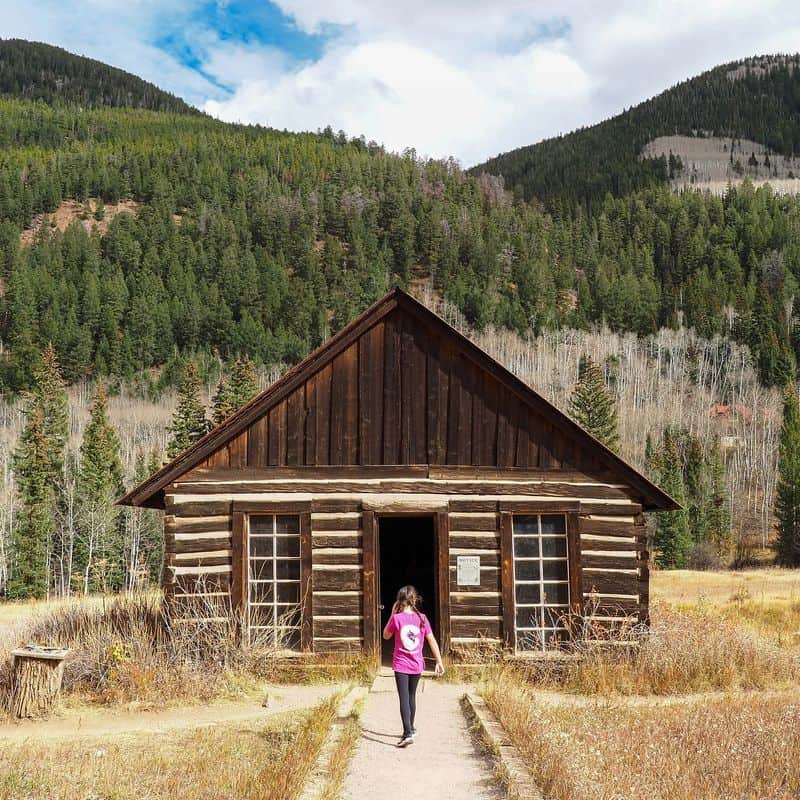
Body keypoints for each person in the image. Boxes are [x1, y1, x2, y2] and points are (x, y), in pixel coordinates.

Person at [382, 584, 445, 748]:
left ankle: (407, 733)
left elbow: (386, 635)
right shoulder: (422, 618)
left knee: (403, 697)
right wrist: (439, 661)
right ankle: (411, 728)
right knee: (411, 696)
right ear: (415, 600)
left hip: (401, 664)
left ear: (399, 602)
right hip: (417, 664)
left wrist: (391, 614)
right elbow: (432, 640)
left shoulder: (397, 619)